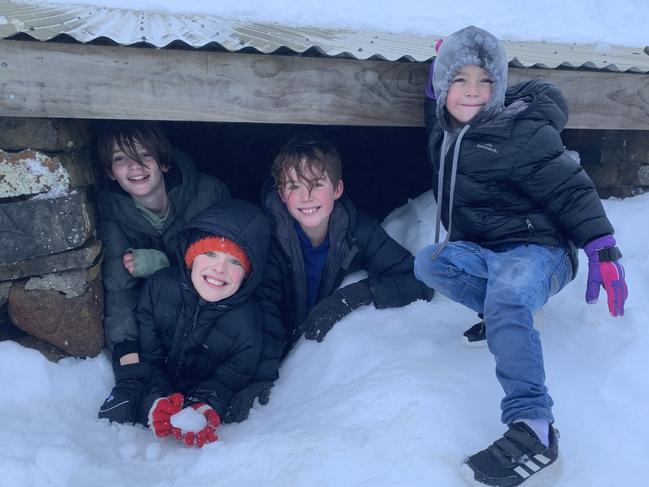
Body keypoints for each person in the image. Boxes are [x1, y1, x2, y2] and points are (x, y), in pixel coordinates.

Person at [413, 26, 628, 486]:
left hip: (540, 250)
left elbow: (571, 189)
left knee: (510, 295)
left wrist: (601, 249)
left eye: (485, 82)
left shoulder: (521, 131)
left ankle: (534, 426)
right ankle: (504, 313)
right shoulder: (447, 128)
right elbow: (435, 102)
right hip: (486, 252)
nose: (473, 93)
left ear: (500, 87)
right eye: (460, 80)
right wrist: (440, 70)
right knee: (431, 261)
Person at [223, 133, 435, 423]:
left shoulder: (358, 230)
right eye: (294, 186)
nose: (306, 197)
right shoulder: (267, 234)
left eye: (316, 184)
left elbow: (419, 280)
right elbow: (263, 311)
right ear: (282, 195)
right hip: (268, 348)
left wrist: (352, 296)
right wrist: (260, 378)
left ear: (337, 189)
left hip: (314, 361)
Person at [98, 200, 271, 448]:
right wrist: (157, 401)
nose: (219, 268)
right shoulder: (159, 288)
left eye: (234, 262)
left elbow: (227, 380)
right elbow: (151, 357)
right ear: (191, 257)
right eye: (210, 253)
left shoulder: (248, 324)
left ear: (247, 275)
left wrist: (203, 405)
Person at [94, 122, 230, 417]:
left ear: (164, 162)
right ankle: (154, 398)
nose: (134, 166)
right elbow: (119, 290)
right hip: (160, 318)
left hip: (212, 311)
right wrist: (127, 369)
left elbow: (231, 267)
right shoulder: (112, 213)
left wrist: (165, 264)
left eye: (144, 154)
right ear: (110, 173)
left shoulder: (208, 194)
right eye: (120, 158)